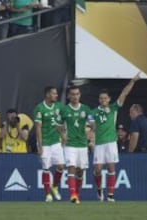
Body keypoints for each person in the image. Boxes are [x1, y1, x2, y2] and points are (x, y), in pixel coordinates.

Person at [88, 72, 140, 202]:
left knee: (111, 167)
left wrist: (132, 81)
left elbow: (124, 94)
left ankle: (110, 194)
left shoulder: (113, 108)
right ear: (98, 99)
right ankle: (99, 189)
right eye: (101, 98)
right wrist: (92, 132)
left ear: (109, 99)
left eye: (105, 98)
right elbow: (90, 126)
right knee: (98, 169)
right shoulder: (93, 112)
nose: (103, 100)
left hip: (111, 142)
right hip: (99, 143)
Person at [33, 86, 65, 202]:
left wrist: (63, 134)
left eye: (56, 93)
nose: (56, 95)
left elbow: (63, 121)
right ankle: (47, 195)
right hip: (45, 143)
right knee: (46, 168)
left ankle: (55, 186)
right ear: (47, 95)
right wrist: (40, 146)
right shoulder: (39, 108)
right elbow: (38, 128)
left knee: (61, 166)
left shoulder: (59, 106)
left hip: (56, 141)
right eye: (54, 93)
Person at [60, 86, 91, 204]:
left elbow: (93, 124)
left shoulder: (86, 109)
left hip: (82, 144)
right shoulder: (64, 110)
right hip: (69, 144)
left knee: (80, 171)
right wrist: (62, 134)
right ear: (68, 96)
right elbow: (58, 125)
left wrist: (91, 133)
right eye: (72, 94)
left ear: (80, 95)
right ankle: (73, 195)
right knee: (71, 167)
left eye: (77, 94)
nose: (75, 96)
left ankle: (77, 194)